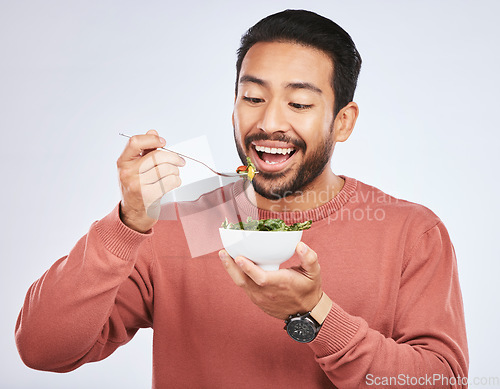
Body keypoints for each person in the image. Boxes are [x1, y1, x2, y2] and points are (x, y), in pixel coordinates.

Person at [15, 9, 468, 388]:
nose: (270, 122)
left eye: (300, 104)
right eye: (253, 97)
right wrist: (127, 223)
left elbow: (442, 381)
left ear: (343, 121)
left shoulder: (410, 232)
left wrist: (316, 316)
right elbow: (42, 349)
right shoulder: (180, 222)